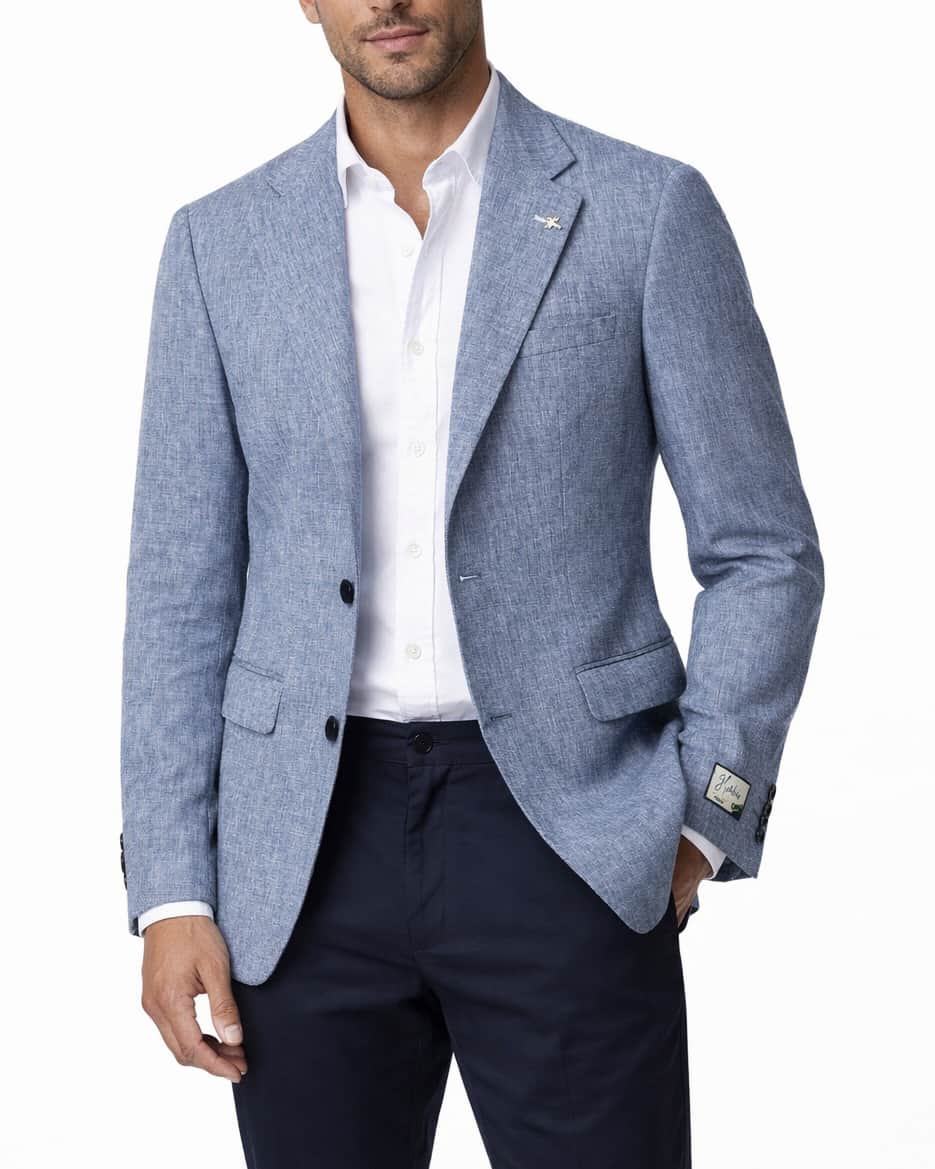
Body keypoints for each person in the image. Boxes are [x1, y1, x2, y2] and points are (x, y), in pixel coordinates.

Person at [120, 2, 824, 1165]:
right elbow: (177, 591)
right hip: (299, 851)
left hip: (570, 826)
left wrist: (702, 817)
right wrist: (171, 890)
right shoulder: (220, 243)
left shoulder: (644, 209)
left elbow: (762, 547)